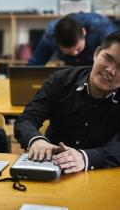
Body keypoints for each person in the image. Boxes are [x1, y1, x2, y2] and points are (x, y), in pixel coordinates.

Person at [15, 31, 120, 174]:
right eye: (108, 58)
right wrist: (36, 140)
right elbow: (26, 119)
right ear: (97, 53)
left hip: (101, 174)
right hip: (52, 169)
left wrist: (85, 157)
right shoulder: (61, 80)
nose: (111, 70)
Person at [28, 12, 117, 66]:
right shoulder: (50, 36)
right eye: (69, 52)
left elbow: (116, 58)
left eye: (78, 49)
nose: (74, 54)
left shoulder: (101, 28)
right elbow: (34, 64)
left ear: (84, 32)